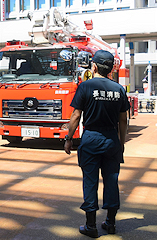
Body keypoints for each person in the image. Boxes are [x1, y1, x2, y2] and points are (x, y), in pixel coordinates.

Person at [64, 50, 130, 238]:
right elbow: (123, 120)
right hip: (111, 140)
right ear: (110, 69)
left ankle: (91, 226)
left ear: (94, 67)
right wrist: (121, 143)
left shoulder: (85, 87)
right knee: (111, 181)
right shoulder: (119, 89)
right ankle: (110, 223)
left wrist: (68, 139)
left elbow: (76, 115)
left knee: (90, 182)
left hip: (91, 139)